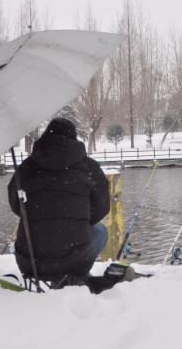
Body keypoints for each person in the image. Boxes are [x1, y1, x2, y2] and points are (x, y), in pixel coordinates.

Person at [8, 117, 110, 287]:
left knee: (31, 232)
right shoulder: (89, 167)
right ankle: (80, 274)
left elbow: (16, 203)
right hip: (76, 260)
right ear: (74, 138)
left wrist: (39, 213)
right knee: (100, 231)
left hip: (30, 261)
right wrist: (79, 219)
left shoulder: (26, 167)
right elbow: (102, 207)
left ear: (45, 136)